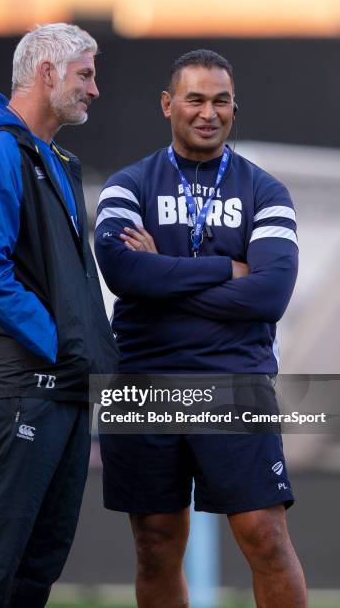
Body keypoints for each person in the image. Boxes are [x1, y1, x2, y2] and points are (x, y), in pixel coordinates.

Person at [94, 50, 306, 607]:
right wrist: (221, 269)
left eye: (220, 100)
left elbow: (270, 293)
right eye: (194, 99)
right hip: (143, 383)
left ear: (234, 107)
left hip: (235, 381)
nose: (207, 112)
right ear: (168, 105)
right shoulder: (127, 185)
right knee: (156, 544)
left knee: (264, 535)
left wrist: (162, 276)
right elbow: (121, 270)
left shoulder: (266, 191)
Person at [0, 23, 118, 607]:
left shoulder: (56, 159)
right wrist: (60, 342)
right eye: (85, 74)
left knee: (33, 573)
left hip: (61, 387)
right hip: (22, 385)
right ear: (46, 72)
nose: (94, 89)